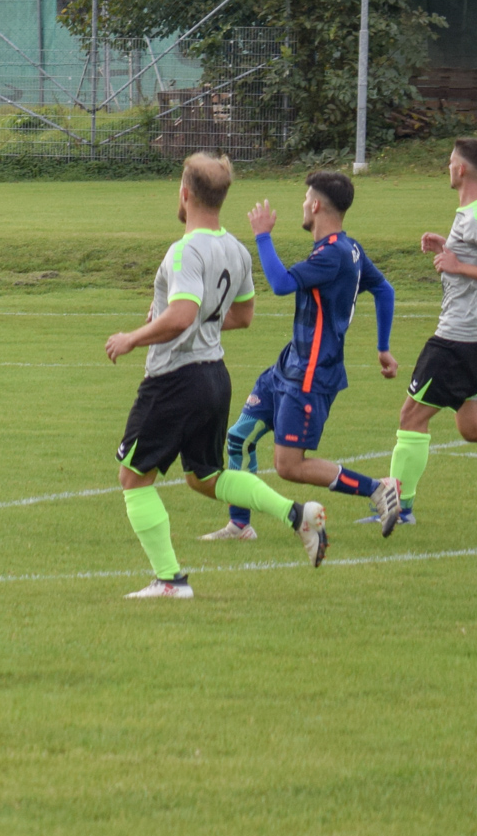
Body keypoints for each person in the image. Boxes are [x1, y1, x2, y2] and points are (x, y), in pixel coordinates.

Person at [106, 153, 327, 599]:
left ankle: (170, 581)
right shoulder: (236, 250)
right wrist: (176, 318)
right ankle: (297, 514)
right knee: (204, 476)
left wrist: (134, 337)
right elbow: (241, 316)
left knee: (133, 478)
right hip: (213, 377)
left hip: (174, 379)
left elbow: (183, 316)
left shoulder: (185, 250)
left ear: (185, 193)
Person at [202, 171, 401, 541]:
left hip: (310, 375)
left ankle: (377, 489)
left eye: (306, 198)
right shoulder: (350, 249)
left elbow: (281, 284)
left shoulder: (334, 255)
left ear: (317, 205)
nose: (303, 204)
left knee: (289, 466)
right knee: (239, 438)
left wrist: (262, 236)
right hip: (288, 366)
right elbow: (384, 290)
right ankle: (239, 525)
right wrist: (383, 347)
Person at [383, 137, 477, 534]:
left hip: (459, 337)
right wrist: (448, 249)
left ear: (461, 169)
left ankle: (400, 509)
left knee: (411, 417)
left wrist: (458, 266)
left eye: (450, 161)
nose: (447, 167)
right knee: (472, 426)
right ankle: (401, 508)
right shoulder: (474, 213)